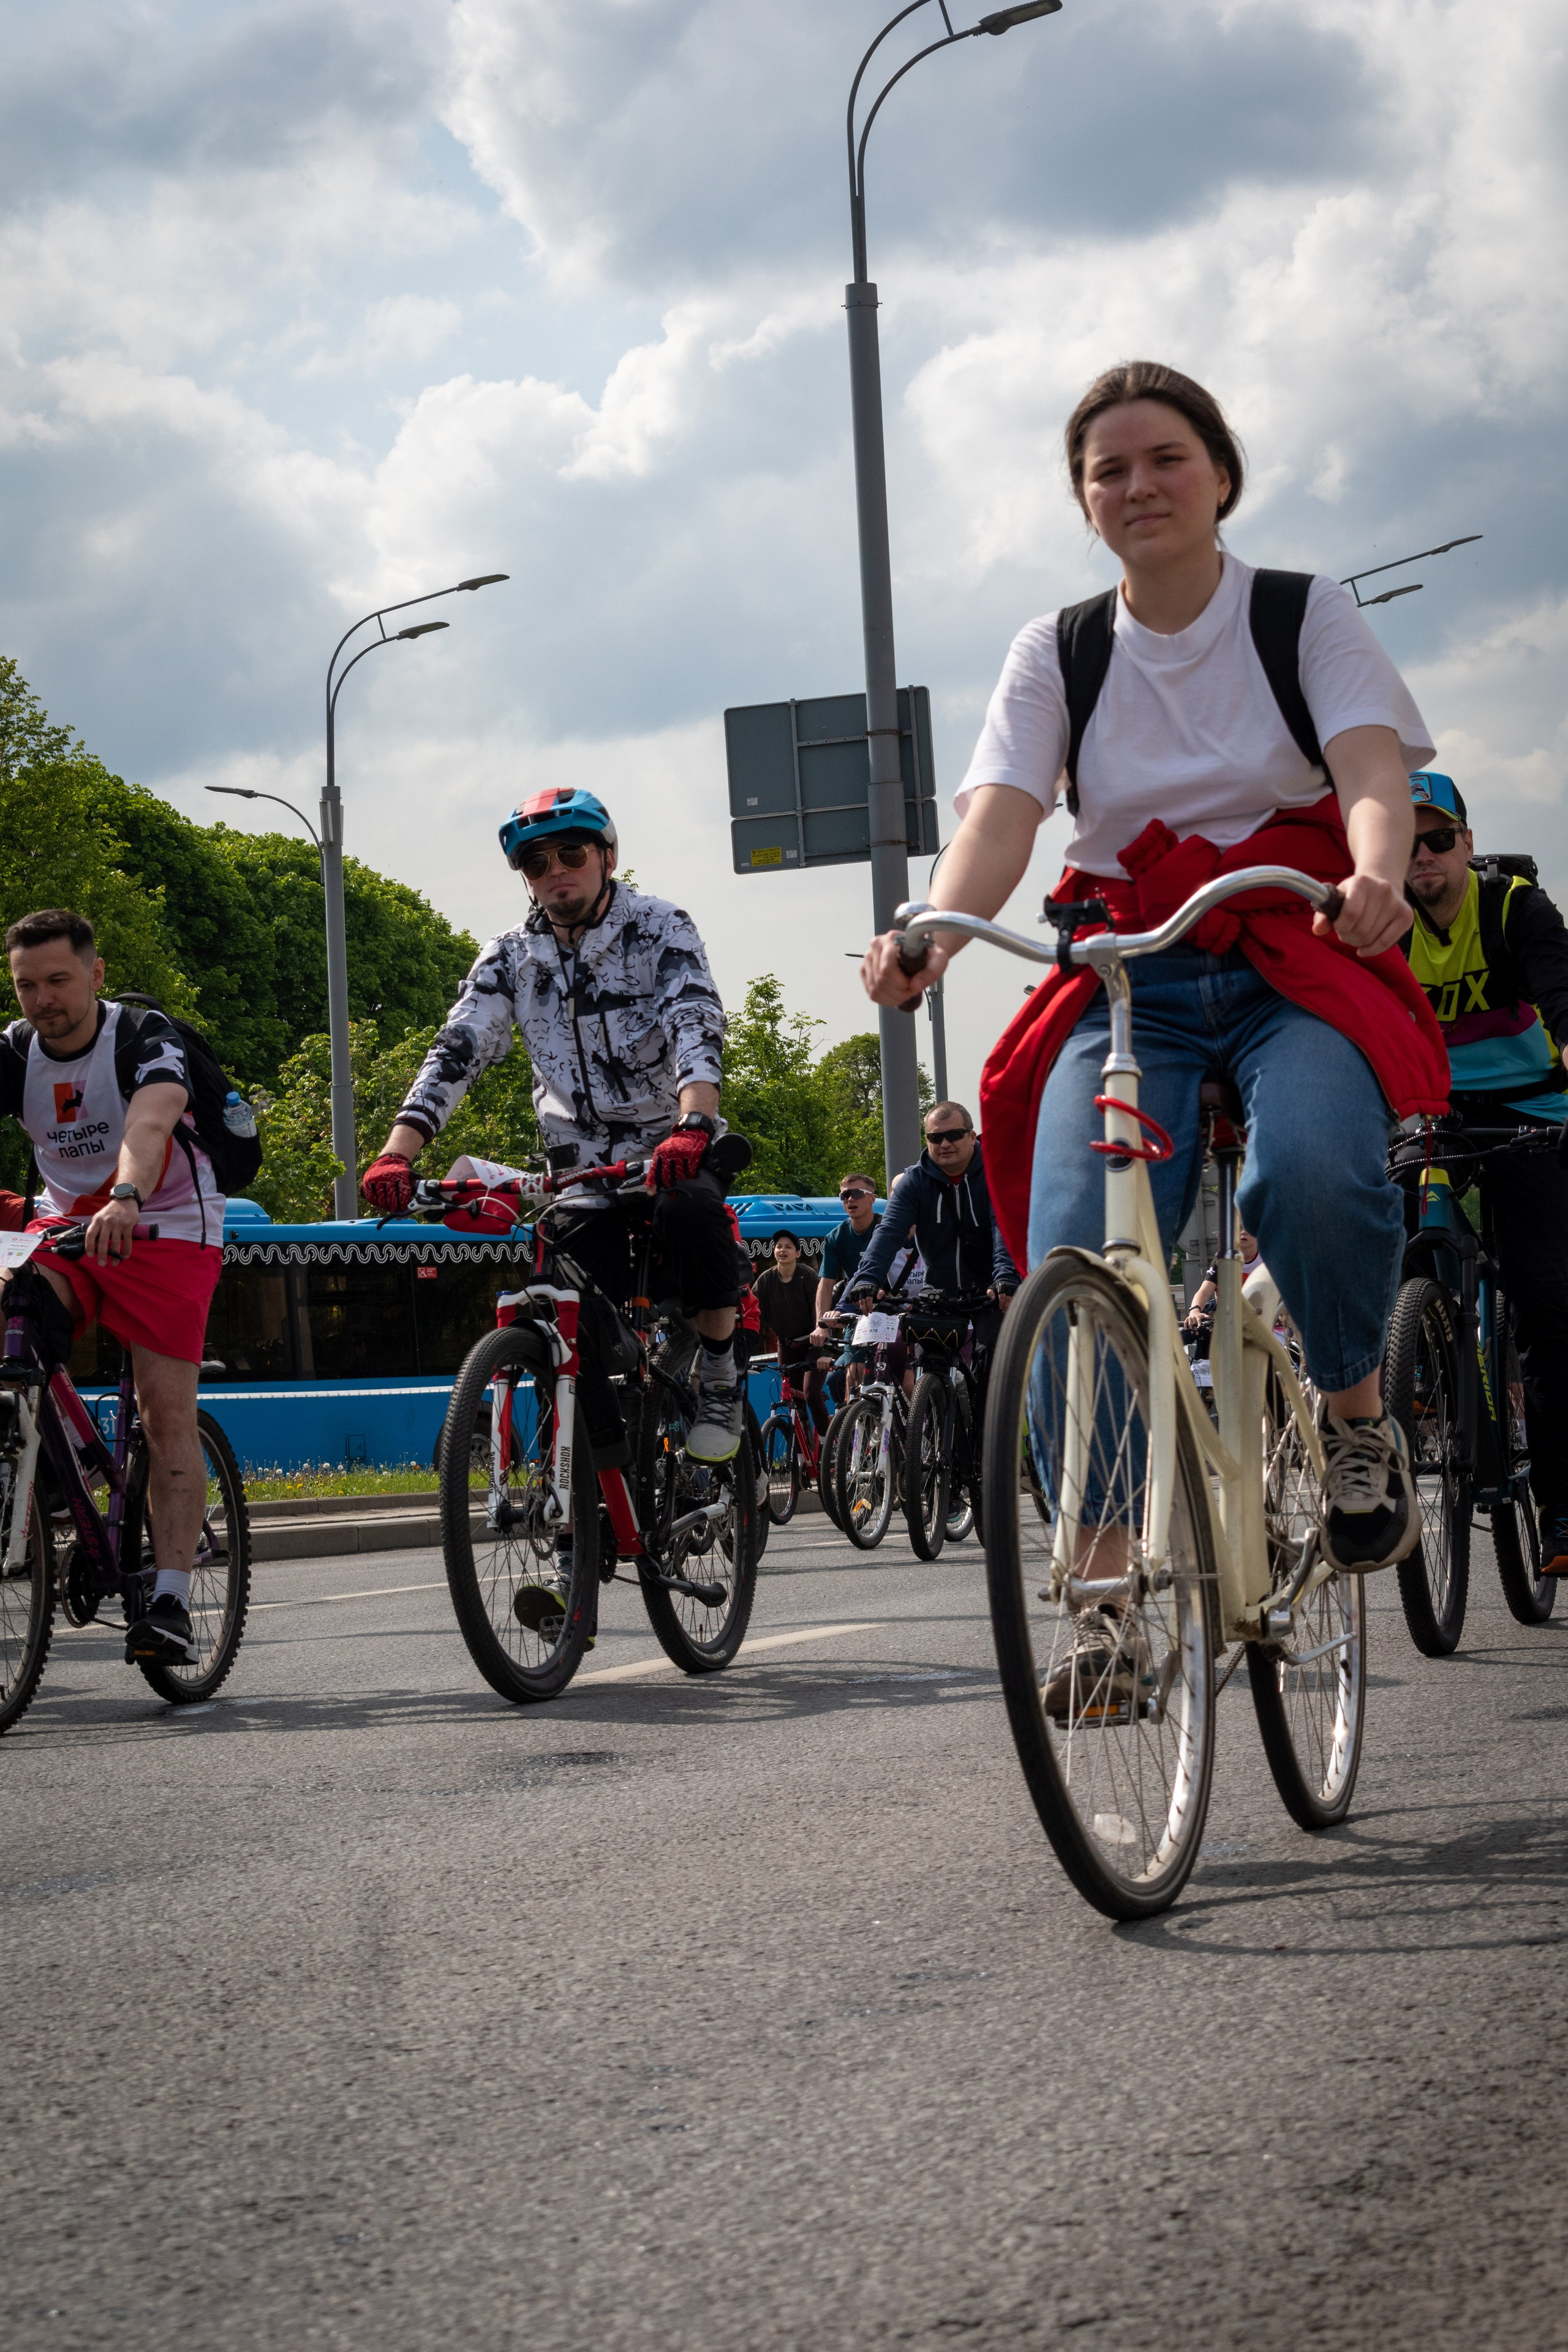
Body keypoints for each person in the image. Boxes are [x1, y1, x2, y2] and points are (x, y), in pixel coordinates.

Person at [862, 359, 1450, 1621]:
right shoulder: (1058, 649)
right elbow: (1001, 823)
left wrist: (1371, 871)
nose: (1137, 486)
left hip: (1293, 955)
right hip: (1130, 973)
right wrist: (930, 929)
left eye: (1163, 458)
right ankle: (1106, 1581)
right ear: (1082, 502)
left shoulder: (1301, 615)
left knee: (1307, 1168)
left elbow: (1365, 768)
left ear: (1220, 475)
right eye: (1106, 470)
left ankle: (1351, 1419)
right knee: (1075, 1248)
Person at [363, 786, 747, 1466]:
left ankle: (718, 1376)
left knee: (692, 1211)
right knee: (559, 1304)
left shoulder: (659, 925)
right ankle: (589, 1489)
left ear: (607, 856)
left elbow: (694, 1017)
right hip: (581, 1171)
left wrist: (694, 1122)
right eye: (536, 864)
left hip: (669, 1150)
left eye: (571, 852)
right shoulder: (510, 956)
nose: (555, 871)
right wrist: (397, 1153)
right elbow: (458, 1050)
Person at [1, 909, 226, 1663]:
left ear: (94, 975)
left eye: (59, 980)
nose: (43, 1000)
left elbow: (151, 1127)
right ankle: (46, 1458)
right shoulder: (13, 1050)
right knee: (16, 1311)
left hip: (164, 1220)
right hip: (68, 1224)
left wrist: (126, 1197)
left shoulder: (141, 1037)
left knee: (167, 1413)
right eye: (27, 985)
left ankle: (167, 1600)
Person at [1402, 771, 1568, 1571]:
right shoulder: (1385, 928)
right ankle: (1423, 1348)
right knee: (1393, 1251)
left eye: (1437, 839)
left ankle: (1563, 1509)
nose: (1422, 855)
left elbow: (1563, 1001)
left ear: (1466, 843)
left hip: (1537, 1118)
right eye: (1405, 843)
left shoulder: (1513, 909)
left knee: (1545, 1302)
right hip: (1441, 1120)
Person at [846, 1102, 1019, 1324]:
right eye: (936, 1138)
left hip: (993, 1294)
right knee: (926, 1354)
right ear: (927, 1141)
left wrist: (1005, 1276)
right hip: (939, 1297)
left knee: (995, 1352)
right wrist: (867, 1279)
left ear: (972, 1136)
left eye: (954, 1135)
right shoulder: (914, 1182)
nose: (945, 1144)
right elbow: (888, 1232)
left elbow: (1003, 1229)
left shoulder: (997, 1174)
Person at [754, 1230, 831, 1434]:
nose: (783, 1250)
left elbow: (821, 1314)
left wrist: (825, 1349)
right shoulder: (764, 1281)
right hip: (786, 1345)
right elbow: (754, 1316)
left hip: (813, 1343)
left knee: (811, 1394)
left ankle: (827, 1447)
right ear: (773, 1251)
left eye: (788, 1247)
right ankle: (798, 1460)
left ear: (798, 1253)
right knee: (792, 1401)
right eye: (779, 1246)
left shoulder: (808, 1276)